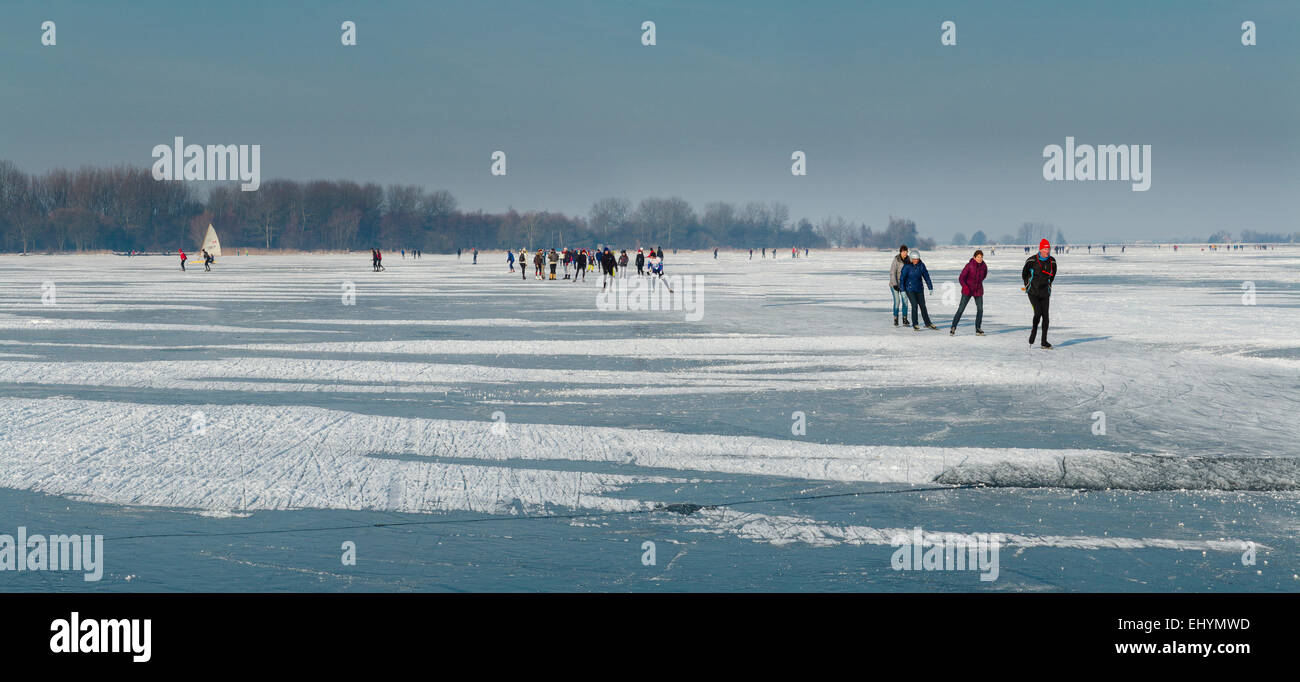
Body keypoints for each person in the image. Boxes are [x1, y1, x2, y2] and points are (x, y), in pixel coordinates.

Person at [1021, 238, 1057, 349]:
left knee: (1045, 316)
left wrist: (1048, 285)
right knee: (1038, 313)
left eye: (1048, 248)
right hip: (1033, 292)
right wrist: (1028, 285)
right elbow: (1024, 274)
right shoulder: (1031, 261)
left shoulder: (1052, 261)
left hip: (1045, 292)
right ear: (1040, 249)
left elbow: (1053, 275)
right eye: (1045, 248)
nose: (1047, 251)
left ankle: (1044, 341)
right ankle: (1034, 331)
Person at [950, 249, 987, 335]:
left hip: (978, 290)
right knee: (961, 309)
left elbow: (984, 275)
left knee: (980, 309)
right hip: (968, 290)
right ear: (974, 257)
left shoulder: (984, 266)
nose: (980, 259)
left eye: (981, 257)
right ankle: (953, 327)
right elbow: (961, 278)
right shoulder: (969, 265)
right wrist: (965, 286)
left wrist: (978, 283)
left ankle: (978, 328)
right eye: (978, 257)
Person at [899, 250, 936, 330]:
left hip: (919, 288)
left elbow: (926, 276)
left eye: (917, 259)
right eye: (914, 259)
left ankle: (928, 323)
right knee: (914, 305)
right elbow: (902, 279)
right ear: (911, 259)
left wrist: (930, 287)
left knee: (923, 306)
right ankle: (915, 324)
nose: (916, 260)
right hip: (909, 289)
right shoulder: (907, 267)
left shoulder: (921, 265)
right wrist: (902, 290)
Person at [889, 245, 909, 326]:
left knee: (905, 301)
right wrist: (895, 284)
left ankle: (904, 319)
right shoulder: (896, 259)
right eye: (903, 252)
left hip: (903, 285)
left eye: (906, 252)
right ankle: (896, 318)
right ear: (900, 252)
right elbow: (892, 272)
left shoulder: (909, 259)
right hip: (894, 284)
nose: (905, 253)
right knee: (897, 301)